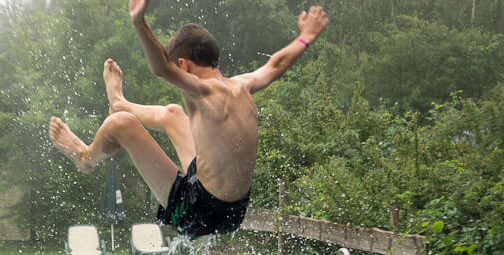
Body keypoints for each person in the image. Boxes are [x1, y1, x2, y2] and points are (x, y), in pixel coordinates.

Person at [48, 2, 328, 239]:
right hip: (234, 211)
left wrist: (139, 23)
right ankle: (119, 102)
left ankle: (85, 158)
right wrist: (306, 36)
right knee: (172, 113)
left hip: (198, 210)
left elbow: (160, 67)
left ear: (183, 66)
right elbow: (276, 64)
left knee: (122, 123)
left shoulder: (201, 91)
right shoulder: (242, 84)